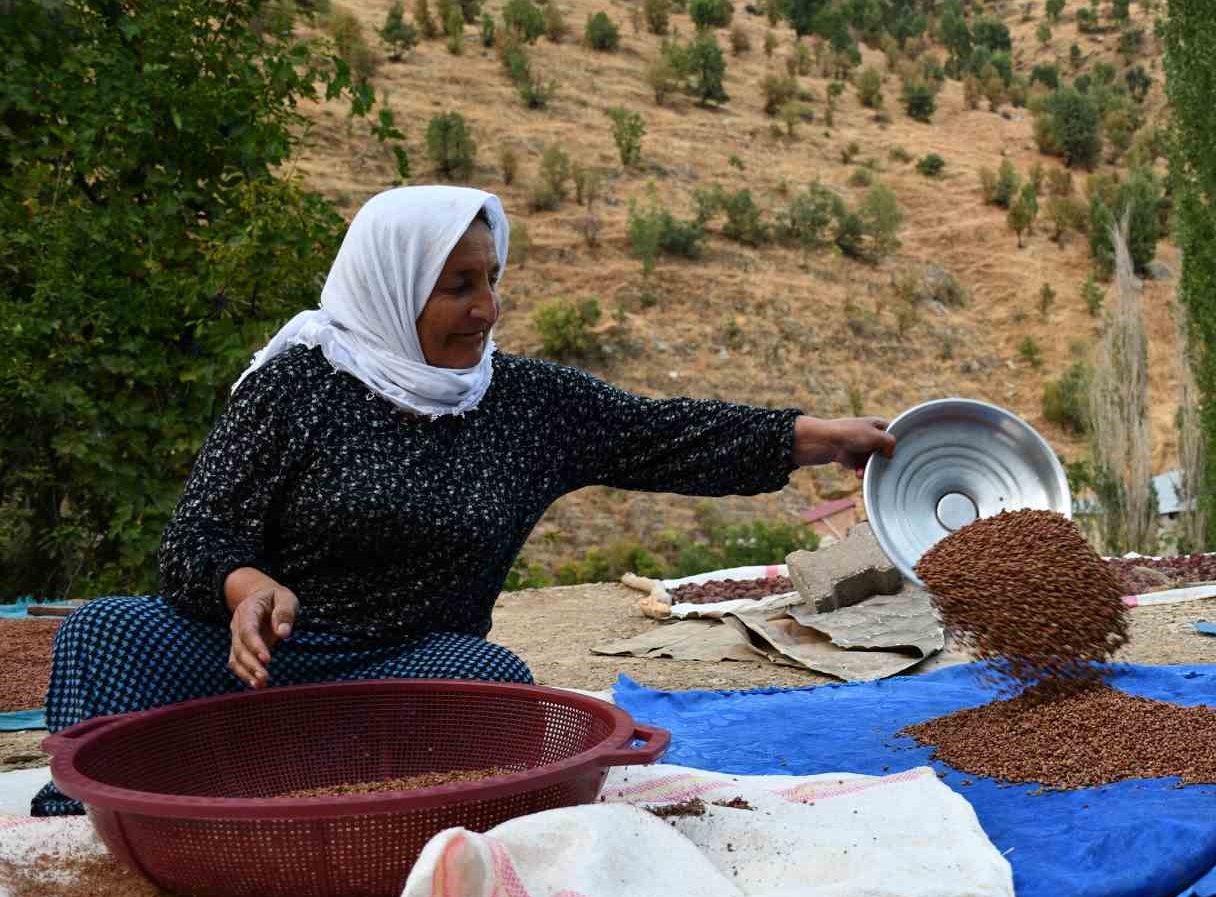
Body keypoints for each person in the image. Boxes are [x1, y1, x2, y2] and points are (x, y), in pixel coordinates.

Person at [33, 185, 894, 816]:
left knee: (493, 682)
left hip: (403, 673)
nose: (485, 310)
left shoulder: (520, 405)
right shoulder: (295, 387)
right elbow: (200, 534)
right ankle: (114, 823)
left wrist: (824, 437)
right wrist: (247, 589)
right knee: (105, 633)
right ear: (393, 286)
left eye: (491, 280)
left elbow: (664, 433)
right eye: (456, 288)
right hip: (249, 665)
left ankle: (280, 786)